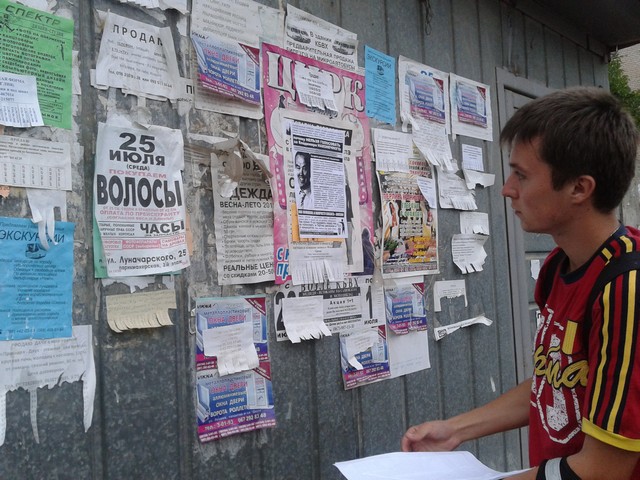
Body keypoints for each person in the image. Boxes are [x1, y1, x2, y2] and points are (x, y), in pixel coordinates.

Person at [401, 87, 640, 479]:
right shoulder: (558, 267)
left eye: (522, 175)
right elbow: (555, 382)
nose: (507, 188)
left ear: (579, 188)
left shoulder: (625, 289)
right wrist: (456, 430)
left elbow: (602, 470)